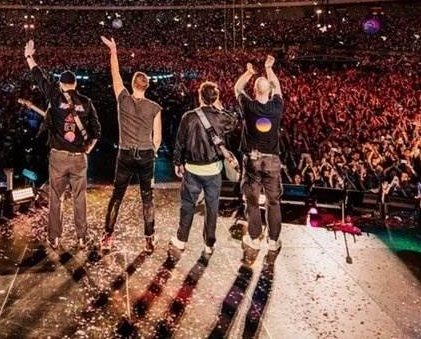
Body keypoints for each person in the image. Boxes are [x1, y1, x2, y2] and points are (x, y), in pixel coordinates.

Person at [24, 39, 101, 250]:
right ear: (75, 84)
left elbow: (39, 78)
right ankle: (81, 238)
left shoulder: (55, 96)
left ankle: (55, 237)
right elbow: (97, 130)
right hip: (79, 158)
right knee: (80, 198)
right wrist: (89, 148)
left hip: (58, 156)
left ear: (61, 84)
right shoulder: (86, 102)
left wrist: (29, 57)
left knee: (56, 198)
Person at [99, 36, 162, 253]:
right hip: (146, 154)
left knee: (117, 197)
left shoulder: (123, 99)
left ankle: (107, 236)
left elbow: (115, 75)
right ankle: (149, 239)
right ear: (147, 86)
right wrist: (152, 152)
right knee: (147, 198)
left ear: (133, 84)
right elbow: (157, 137)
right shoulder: (154, 107)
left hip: (125, 154)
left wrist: (114, 51)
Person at [170, 81, 237, 260]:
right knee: (212, 207)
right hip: (213, 170)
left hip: (192, 169)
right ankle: (209, 243)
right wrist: (220, 108)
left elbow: (179, 142)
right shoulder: (221, 117)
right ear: (215, 99)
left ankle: (181, 240)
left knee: (187, 206)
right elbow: (234, 121)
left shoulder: (188, 117)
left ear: (200, 96)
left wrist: (177, 162)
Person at [234, 55, 285, 265]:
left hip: (252, 160)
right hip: (272, 160)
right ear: (270, 91)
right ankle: (273, 241)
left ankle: (254, 239)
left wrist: (248, 73)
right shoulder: (276, 106)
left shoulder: (249, 106)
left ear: (254, 91)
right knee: (273, 202)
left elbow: (237, 88)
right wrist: (269, 68)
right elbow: (278, 87)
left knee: (253, 201)